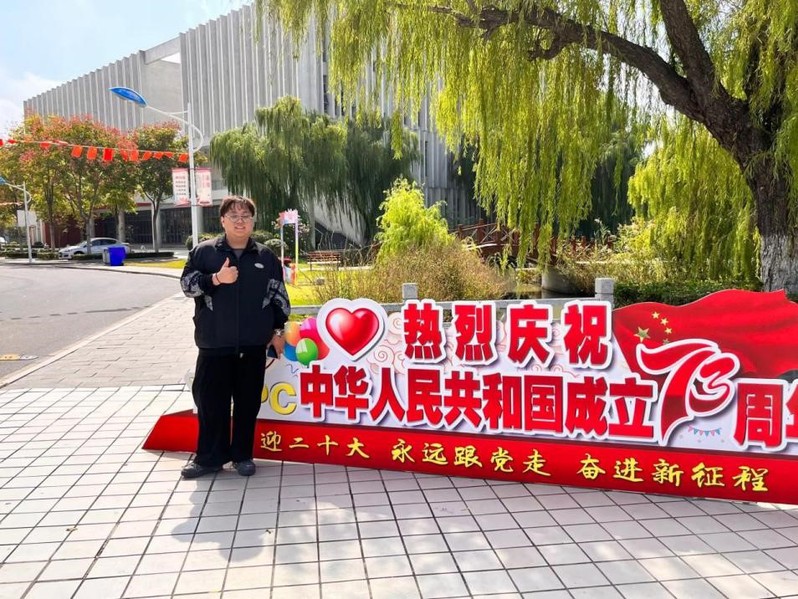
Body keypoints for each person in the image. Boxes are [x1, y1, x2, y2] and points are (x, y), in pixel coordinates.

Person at [180, 195, 290, 478]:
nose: (240, 221)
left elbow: (279, 297)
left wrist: (278, 331)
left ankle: (243, 456)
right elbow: (187, 286)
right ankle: (209, 459)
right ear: (222, 221)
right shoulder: (204, 252)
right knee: (210, 404)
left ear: (252, 222)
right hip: (214, 342)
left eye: (245, 216)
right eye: (234, 216)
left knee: (247, 403)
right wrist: (216, 279)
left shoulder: (265, 257)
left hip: (253, 344)